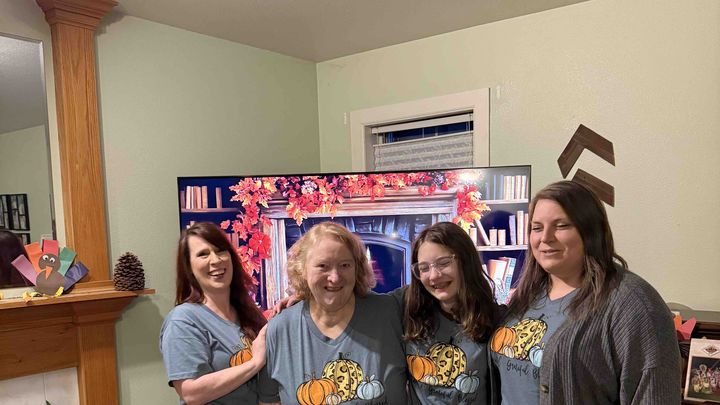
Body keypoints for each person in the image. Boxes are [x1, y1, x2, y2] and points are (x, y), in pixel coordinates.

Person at [490, 180, 681, 404]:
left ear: (590, 231)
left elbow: (655, 394)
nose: (545, 237)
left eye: (561, 225)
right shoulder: (527, 294)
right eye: (537, 228)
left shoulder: (634, 304)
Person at [258, 221, 410, 404]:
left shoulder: (390, 311)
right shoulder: (280, 330)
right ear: (302, 269)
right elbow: (269, 401)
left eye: (345, 265)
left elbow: (434, 286)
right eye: (322, 266)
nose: (335, 277)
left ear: (357, 268)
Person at [160, 222, 271, 405]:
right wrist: (254, 363)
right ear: (189, 267)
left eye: (220, 251)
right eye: (203, 254)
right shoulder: (183, 320)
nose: (216, 260)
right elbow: (191, 393)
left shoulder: (247, 312)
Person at [402, 221, 501, 404]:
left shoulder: (497, 319)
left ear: (465, 261)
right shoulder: (407, 310)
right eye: (424, 268)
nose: (434, 275)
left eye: (444, 263)